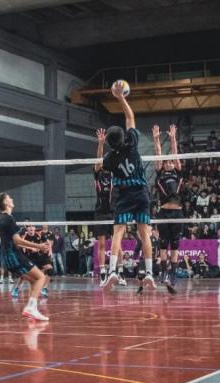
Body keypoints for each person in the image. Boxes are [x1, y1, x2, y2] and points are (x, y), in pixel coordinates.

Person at [99, 81, 155, 292]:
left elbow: (100, 167)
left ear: (109, 143)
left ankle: (112, 270)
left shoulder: (109, 159)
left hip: (123, 195)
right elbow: (130, 118)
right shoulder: (132, 142)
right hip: (140, 192)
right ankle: (149, 273)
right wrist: (121, 97)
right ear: (123, 136)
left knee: (118, 233)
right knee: (145, 234)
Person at [0, 192, 51, 321]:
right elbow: (17, 241)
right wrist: (39, 247)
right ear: (5, 203)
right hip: (13, 256)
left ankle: (33, 309)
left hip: (7, 258)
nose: (12, 198)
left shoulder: (0, 218)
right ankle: (30, 308)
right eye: (9, 198)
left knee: (33, 280)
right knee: (41, 277)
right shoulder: (8, 218)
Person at [152, 123, 182, 294]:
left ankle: (173, 275)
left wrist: (172, 138)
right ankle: (163, 273)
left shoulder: (178, 173)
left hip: (177, 213)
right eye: (167, 162)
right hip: (164, 212)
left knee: (175, 247)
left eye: (171, 161)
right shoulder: (160, 172)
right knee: (163, 246)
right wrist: (156, 138)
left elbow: (176, 153)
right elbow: (157, 153)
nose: (169, 163)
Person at [92, 130, 115, 283]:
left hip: (113, 211)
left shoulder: (114, 174)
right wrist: (101, 143)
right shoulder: (97, 173)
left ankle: (117, 272)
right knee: (101, 244)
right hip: (100, 212)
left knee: (115, 243)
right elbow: (99, 157)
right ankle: (102, 273)